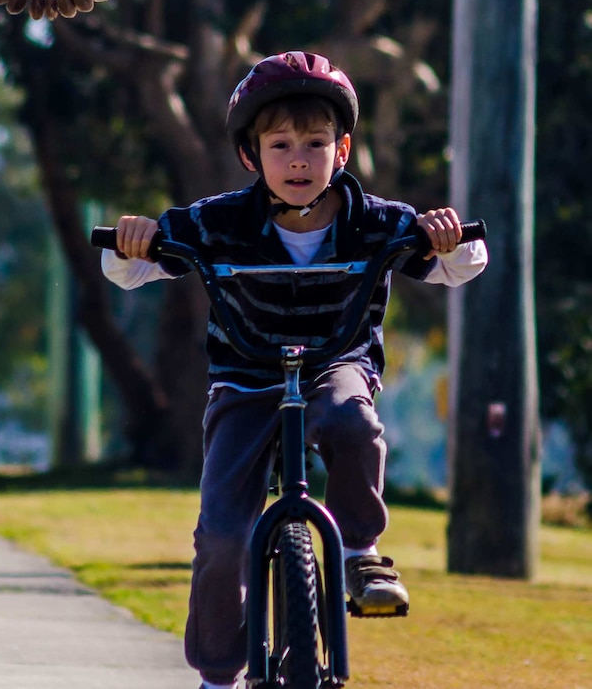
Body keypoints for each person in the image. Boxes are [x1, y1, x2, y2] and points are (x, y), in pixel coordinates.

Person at [99, 51, 488, 689]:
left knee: (353, 422)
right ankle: (219, 675)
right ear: (252, 156)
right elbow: (133, 267)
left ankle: (361, 554)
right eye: (280, 145)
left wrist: (451, 237)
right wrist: (134, 239)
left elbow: (457, 265)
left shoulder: (376, 222)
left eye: (316, 143)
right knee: (223, 535)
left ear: (343, 150)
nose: (300, 160)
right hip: (245, 381)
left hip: (336, 363)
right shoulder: (218, 222)